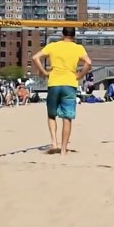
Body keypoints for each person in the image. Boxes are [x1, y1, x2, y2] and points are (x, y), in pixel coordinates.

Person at [32, 27, 92, 155]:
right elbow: (89, 63)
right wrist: (80, 75)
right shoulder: (78, 48)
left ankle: (54, 143)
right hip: (70, 83)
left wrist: (44, 72)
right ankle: (63, 150)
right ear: (74, 36)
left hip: (54, 82)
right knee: (67, 117)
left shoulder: (53, 46)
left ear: (62, 34)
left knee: (51, 115)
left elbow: (35, 57)